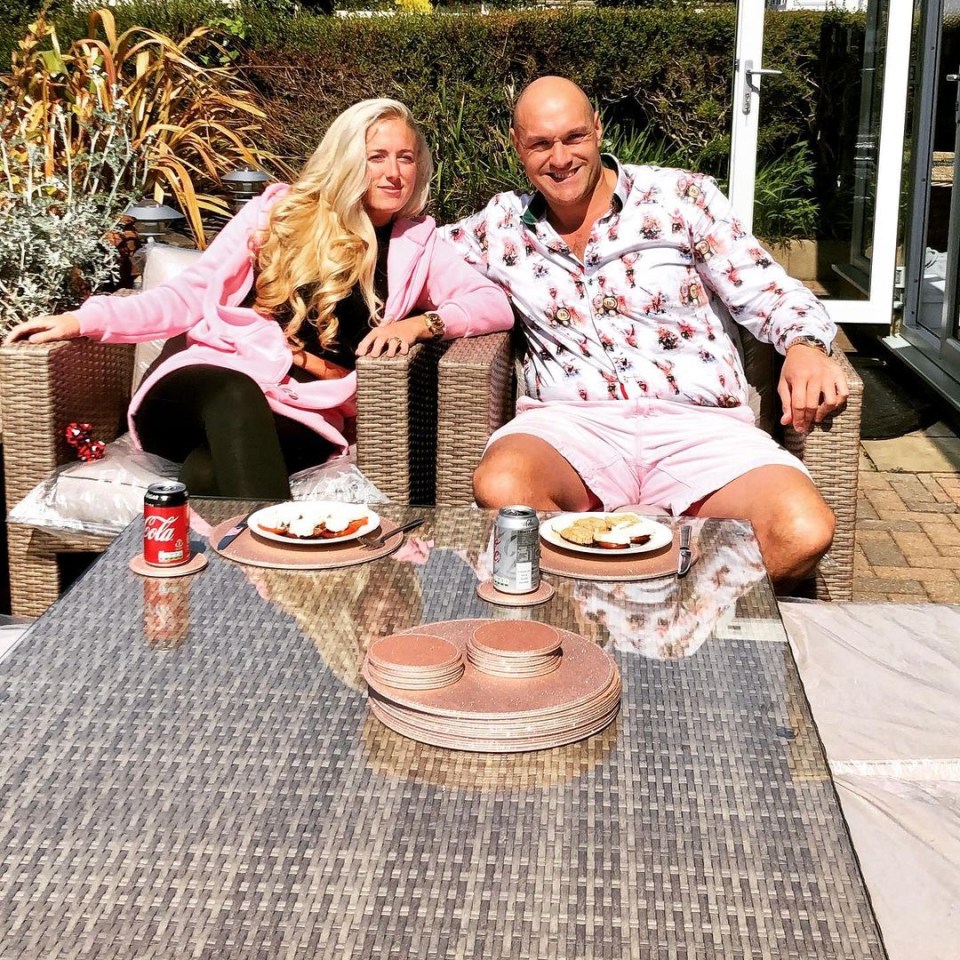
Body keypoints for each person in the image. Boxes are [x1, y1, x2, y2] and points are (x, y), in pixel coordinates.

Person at [440, 76, 850, 591]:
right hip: (573, 431)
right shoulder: (501, 227)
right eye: (541, 144)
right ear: (517, 146)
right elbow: (411, 259)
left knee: (801, 530)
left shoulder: (680, 198)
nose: (560, 158)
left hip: (698, 430)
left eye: (574, 138)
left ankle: (667, 607)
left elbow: (768, 288)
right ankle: (596, 608)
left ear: (598, 129)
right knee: (503, 485)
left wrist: (806, 345)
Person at [4, 99, 512, 499]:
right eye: (376, 156)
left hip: (302, 412)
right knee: (232, 396)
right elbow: (189, 292)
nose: (393, 172)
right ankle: (281, 592)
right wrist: (84, 320)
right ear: (347, 160)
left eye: (405, 157)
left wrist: (422, 324)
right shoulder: (278, 214)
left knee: (207, 474)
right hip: (206, 387)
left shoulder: (416, 243)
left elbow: (493, 305)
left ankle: (217, 606)